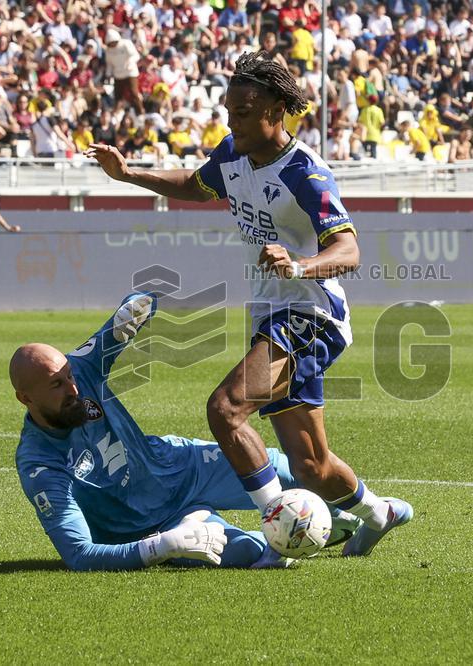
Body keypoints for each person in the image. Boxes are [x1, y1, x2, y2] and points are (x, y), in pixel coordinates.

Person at [86, 52, 411, 558]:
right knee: (311, 466)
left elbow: (349, 250)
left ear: (276, 110)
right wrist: (130, 175)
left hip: (311, 314)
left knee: (225, 410)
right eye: (228, 110)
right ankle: (380, 512)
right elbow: (196, 186)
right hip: (273, 315)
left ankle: (277, 540)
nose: (230, 120)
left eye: (242, 111)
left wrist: (300, 265)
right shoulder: (233, 154)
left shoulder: (307, 173)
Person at [12, 292, 359, 570]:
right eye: (57, 385)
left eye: (69, 376)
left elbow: (135, 307)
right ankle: (305, 530)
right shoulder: (39, 465)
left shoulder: (82, 369)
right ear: (25, 397)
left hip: (178, 465)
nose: (73, 389)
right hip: (150, 525)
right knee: (250, 552)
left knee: (292, 470)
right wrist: (165, 545)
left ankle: (369, 510)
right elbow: (79, 555)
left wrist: (136, 306)